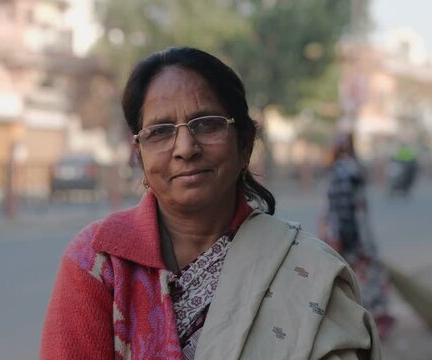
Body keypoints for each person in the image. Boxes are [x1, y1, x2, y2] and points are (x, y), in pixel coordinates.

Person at [41, 47, 380, 359]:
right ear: (139, 156)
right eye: (160, 131)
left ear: (244, 145)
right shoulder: (100, 263)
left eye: (206, 124)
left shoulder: (307, 270)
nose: (185, 147)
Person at [319, 132, 395, 340]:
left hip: (350, 237)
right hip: (361, 235)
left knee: (356, 278)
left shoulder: (341, 171)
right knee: (368, 275)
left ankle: (369, 320)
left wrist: (339, 237)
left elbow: (341, 209)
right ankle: (375, 317)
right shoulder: (354, 169)